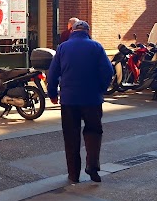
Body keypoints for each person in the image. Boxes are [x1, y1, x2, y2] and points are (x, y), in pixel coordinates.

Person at [47, 20, 113, 184]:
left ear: (72, 31)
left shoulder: (62, 48)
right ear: (87, 32)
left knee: (70, 135)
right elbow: (108, 71)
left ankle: (73, 174)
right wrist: (101, 89)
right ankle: (92, 166)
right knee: (94, 132)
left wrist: (52, 93)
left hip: (69, 100)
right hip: (92, 99)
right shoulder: (96, 47)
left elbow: (52, 73)